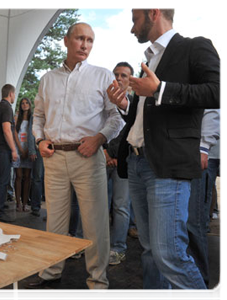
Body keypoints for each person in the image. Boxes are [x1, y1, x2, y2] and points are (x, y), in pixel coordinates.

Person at [107, 8, 224, 300]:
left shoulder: (194, 46)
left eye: (135, 19)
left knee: (169, 253)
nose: (132, 27)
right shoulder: (150, 58)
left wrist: (161, 89)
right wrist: (125, 106)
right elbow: (146, 117)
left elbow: (218, 91)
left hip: (166, 165)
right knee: (151, 252)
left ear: (153, 12)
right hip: (136, 161)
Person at [27, 23, 123, 300]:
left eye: (90, 40)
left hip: (88, 157)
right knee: (54, 221)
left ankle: (98, 282)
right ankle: (50, 272)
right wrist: (38, 140)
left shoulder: (102, 76)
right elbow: (39, 117)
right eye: (80, 38)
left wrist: (99, 139)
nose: (85, 44)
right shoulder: (47, 79)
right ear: (66, 41)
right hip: (54, 157)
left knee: (95, 224)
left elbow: (115, 117)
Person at [187, 108, 223, 287]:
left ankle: (200, 282)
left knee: (195, 221)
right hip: (175, 153)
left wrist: (203, 147)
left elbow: (215, 111)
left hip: (199, 154)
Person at [105, 62, 133, 266]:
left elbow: (129, 135)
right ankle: (96, 245)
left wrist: (116, 155)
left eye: (124, 75)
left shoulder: (135, 104)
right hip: (101, 158)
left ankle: (118, 248)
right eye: (116, 74)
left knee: (121, 207)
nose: (119, 78)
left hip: (123, 162)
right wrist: (104, 151)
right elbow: (96, 125)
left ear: (130, 80)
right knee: (99, 205)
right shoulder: (105, 101)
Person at [0, 84, 19, 223]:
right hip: (2, 149)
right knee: (2, 180)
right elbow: (7, 130)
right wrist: (13, 149)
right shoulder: (6, 108)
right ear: (11, 94)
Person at [13, 97, 35, 212]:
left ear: (30, 105)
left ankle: (25, 203)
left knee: (27, 178)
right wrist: (20, 149)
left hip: (29, 149)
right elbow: (15, 133)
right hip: (19, 148)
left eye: (27, 103)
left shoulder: (33, 118)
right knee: (18, 176)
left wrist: (29, 150)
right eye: (22, 103)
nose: (25, 105)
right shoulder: (17, 117)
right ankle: (18, 203)